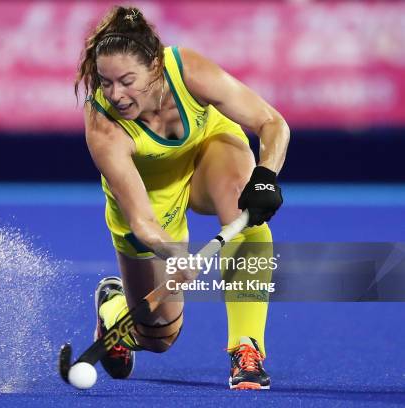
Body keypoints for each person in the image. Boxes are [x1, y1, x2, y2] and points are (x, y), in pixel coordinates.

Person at [74, 6, 288, 390]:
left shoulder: (186, 68)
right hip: (151, 199)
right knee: (159, 335)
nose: (116, 95)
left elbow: (272, 123)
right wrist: (173, 254)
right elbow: (142, 220)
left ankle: (247, 348)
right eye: (106, 83)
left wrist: (266, 176)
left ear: (154, 67)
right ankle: (114, 307)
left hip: (208, 151)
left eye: (126, 81)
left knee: (243, 203)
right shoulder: (104, 126)